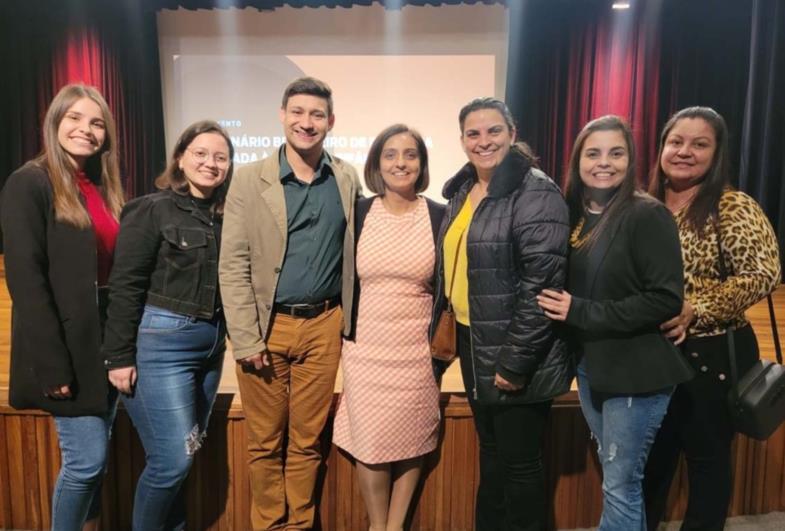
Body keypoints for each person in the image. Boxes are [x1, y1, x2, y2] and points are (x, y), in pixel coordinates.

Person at [537, 115, 694, 530]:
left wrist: (580, 311)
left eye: (616, 153)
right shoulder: (574, 213)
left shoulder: (646, 215)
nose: (603, 162)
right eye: (593, 153)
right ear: (577, 160)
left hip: (636, 374)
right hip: (592, 368)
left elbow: (664, 299)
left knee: (621, 486)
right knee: (620, 483)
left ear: (631, 160)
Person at [219, 77, 362, 530]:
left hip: (324, 325)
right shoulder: (248, 179)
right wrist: (245, 337)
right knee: (264, 441)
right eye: (298, 112)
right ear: (282, 115)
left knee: (307, 441)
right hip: (267, 326)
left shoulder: (345, 176)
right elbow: (233, 264)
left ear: (331, 122)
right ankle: (268, 525)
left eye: (317, 114)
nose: (307, 122)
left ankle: (298, 525)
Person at [432, 97, 571, 530]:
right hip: (476, 341)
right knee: (492, 454)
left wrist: (514, 362)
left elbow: (541, 286)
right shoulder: (462, 190)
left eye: (494, 131)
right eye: (473, 133)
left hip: (517, 349)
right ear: (462, 141)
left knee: (520, 465)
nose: (483, 140)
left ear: (512, 134)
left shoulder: (536, 191)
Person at [643, 107, 781, 531]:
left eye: (699, 144)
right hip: (651, 353)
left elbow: (763, 273)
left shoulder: (732, 205)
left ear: (716, 152)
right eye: (676, 142)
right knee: (652, 460)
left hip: (712, 353)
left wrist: (695, 308)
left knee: (706, 464)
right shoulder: (642, 205)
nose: (684, 151)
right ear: (662, 147)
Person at [1, 84, 124, 531]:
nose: (85, 130)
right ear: (54, 122)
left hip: (105, 343)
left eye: (96, 123)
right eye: (74, 118)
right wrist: (54, 367)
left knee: (97, 463)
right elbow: (27, 282)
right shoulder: (29, 182)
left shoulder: (102, 187)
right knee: (86, 462)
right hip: (66, 350)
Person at [100, 120, 233, 530]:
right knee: (171, 461)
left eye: (221, 157)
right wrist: (118, 356)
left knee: (183, 457)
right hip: (163, 346)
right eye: (200, 153)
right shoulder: (151, 208)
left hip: (212, 347)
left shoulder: (227, 217)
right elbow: (125, 285)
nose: (210, 164)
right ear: (180, 157)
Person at [332, 124, 444, 531]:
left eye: (410, 154)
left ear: (422, 162)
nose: (401, 162)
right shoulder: (359, 212)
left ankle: (394, 527)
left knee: (412, 438)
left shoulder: (439, 216)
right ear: (377, 163)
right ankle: (378, 527)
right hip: (365, 349)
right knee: (372, 440)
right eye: (391, 154)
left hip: (416, 350)